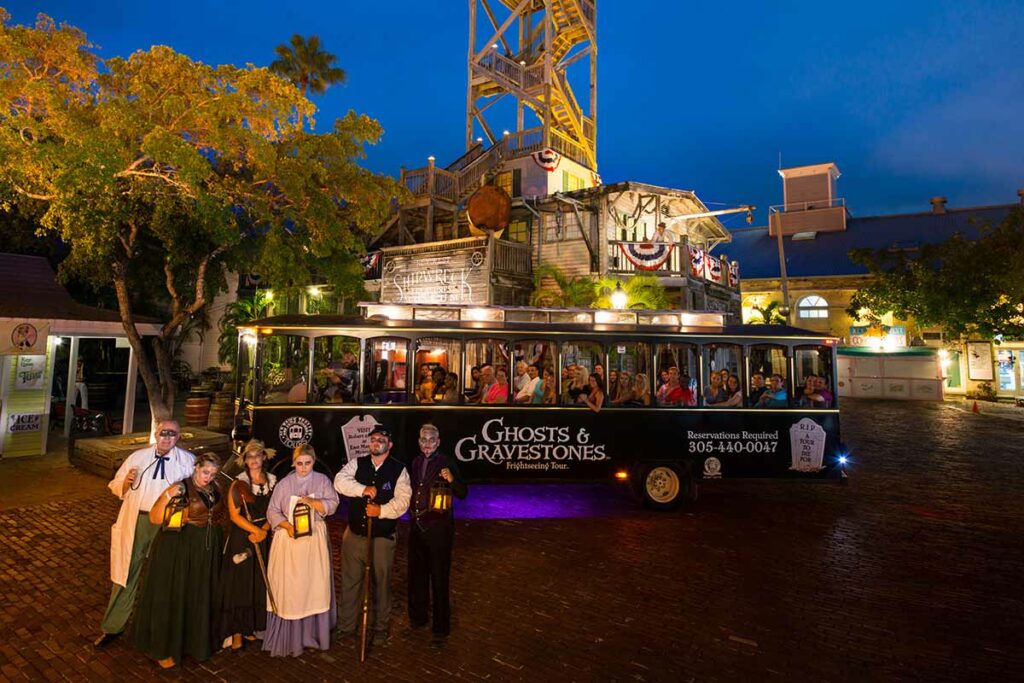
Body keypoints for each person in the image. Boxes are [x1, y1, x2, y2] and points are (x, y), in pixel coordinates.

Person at [95, 420, 195, 649]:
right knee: (126, 573)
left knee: (163, 576)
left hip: (168, 525)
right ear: (156, 434)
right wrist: (125, 483)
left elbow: (196, 493)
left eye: (172, 434)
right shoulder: (137, 457)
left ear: (178, 437)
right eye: (163, 433)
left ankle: (158, 627)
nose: (167, 438)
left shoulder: (187, 462)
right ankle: (113, 626)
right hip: (137, 522)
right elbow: (114, 484)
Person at [131, 451, 225, 669]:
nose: (207, 477)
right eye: (204, 472)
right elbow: (155, 517)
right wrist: (167, 495)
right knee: (175, 594)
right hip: (179, 548)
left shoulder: (215, 487)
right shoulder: (181, 488)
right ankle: (163, 648)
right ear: (196, 467)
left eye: (212, 473)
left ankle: (194, 643)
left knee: (198, 594)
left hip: (206, 549)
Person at [334, 425, 411, 647]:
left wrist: (381, 511)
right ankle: (346, 627)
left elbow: (403, 501)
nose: (376, 442)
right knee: (350, 583)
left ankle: (380, 628)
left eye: (381, 439)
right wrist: (362, 489)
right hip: (355, 535)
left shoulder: (399, 470)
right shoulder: (357, 463)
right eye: (373, 438)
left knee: (381, 583)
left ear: (390, 445)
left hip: (382, 538)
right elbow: (339, 481)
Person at [262, 444, 340, 657]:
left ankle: (312, 634)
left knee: (314, 585)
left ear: (313, 462)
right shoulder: (285, 483)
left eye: (308, 463)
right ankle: (290, 635)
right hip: (289, 542)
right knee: (291, 587)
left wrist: (315, 502)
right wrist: (287, 526)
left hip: (313, 540)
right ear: (293, 462)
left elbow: (333, 503)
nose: (303, 468)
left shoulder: (322, 481)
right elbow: (272, 510)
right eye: (299, 463)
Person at [407, 424, 468, 646]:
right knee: (417, 576)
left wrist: (451, 479)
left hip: (439, 531)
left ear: (438, 441)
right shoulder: (415, 462)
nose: (427, 444)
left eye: (431, 440)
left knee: (439, 578)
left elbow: (463, 492)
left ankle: (441, 628)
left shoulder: (446, 462)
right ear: (419, 441)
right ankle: (418, 619)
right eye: (423, 440)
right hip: (417, 527)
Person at [215, 439, 277, 651]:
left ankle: (251, 627)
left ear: (263, 458)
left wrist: (266, 529)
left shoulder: (272, 481)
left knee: (257, 582)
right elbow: (234, 515)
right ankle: (236, 632)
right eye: (249, 456)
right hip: (244, 537)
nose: (254, 460)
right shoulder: (238, 484)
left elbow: (275, 510)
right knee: (240, 584)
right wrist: (255, 531)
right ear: (245, 460)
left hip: (263, 536)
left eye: (257, 455)